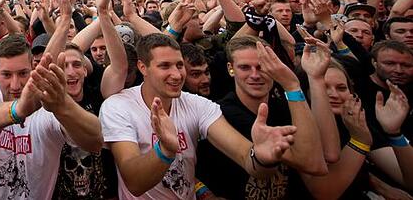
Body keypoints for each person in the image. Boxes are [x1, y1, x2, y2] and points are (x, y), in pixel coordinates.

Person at [99, 33, 309, 199]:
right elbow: (134, 182)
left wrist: (262, 159)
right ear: (143, 67)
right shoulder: (118, 107)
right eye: (165, 66)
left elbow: (248, 159)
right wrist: (165, 150)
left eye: (179, 65)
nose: (177, 74)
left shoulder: (198, 105)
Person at [0, 35, 103, 199]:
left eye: (23, 73)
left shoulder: (47, 105)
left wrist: (63, 106)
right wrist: (18, 110)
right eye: (7, 75)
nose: (15, 85)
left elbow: (94, 140)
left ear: (33, 67)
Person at [195, 35, 326, 199]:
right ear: (231, 68)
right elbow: (312, 163)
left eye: (261, 67)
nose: (255, 75)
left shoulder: (286, 107)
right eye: (245, 67)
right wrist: (291, 85)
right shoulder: (220, 113)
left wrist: (316, 78)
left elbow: (326, 158)